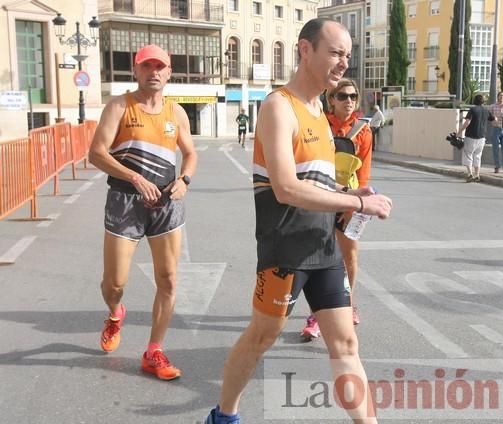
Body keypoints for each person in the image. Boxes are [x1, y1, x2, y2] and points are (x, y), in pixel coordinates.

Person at [203, 18, 392, 424]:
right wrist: (355, 205)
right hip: (284, 250)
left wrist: (352, 195)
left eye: (348, 55)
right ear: (305, 50)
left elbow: (317, 183)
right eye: (336, 53)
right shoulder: (278, 107)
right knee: (261, 337)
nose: (344, 63)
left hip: (323, 248)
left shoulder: (319, 113)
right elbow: (287, 188)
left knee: (345, 344)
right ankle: (224, 415)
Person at [88, 44, 198, 381]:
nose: (153, 72)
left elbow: (190, 153)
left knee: (167, 279)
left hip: (166, 203)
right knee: (115, 282)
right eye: (146, 66)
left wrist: (184, 179)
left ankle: (154, 351)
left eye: (159, 67)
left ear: (169, 72)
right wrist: (134, 176)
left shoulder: (176, 113)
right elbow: (96, 153)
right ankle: (115, 312)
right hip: (125, 202)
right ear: (136, 71)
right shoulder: (120, 106)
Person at [301, 78, 373, 340]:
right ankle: (316, 315)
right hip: (321, 196)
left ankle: (347, 305)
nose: (349, 101)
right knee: (317, 257)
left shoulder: (364, 131)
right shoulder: (320, 124)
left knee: (349, 255)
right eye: (342, 96)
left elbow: (364, 173)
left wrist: (356, 204)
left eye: (353, 96)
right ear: (331, 99)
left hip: (350, 199)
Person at [458, 94, 494, 182]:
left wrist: (459, 131)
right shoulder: (486, 111)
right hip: (482, 137)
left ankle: (470, 174)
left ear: (474, 101)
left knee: (468, 154)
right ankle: (477, 175)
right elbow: (493, 119)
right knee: (477, 155)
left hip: (471, 136)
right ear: (483, 102)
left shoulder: (472, 110)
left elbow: (467, 122)